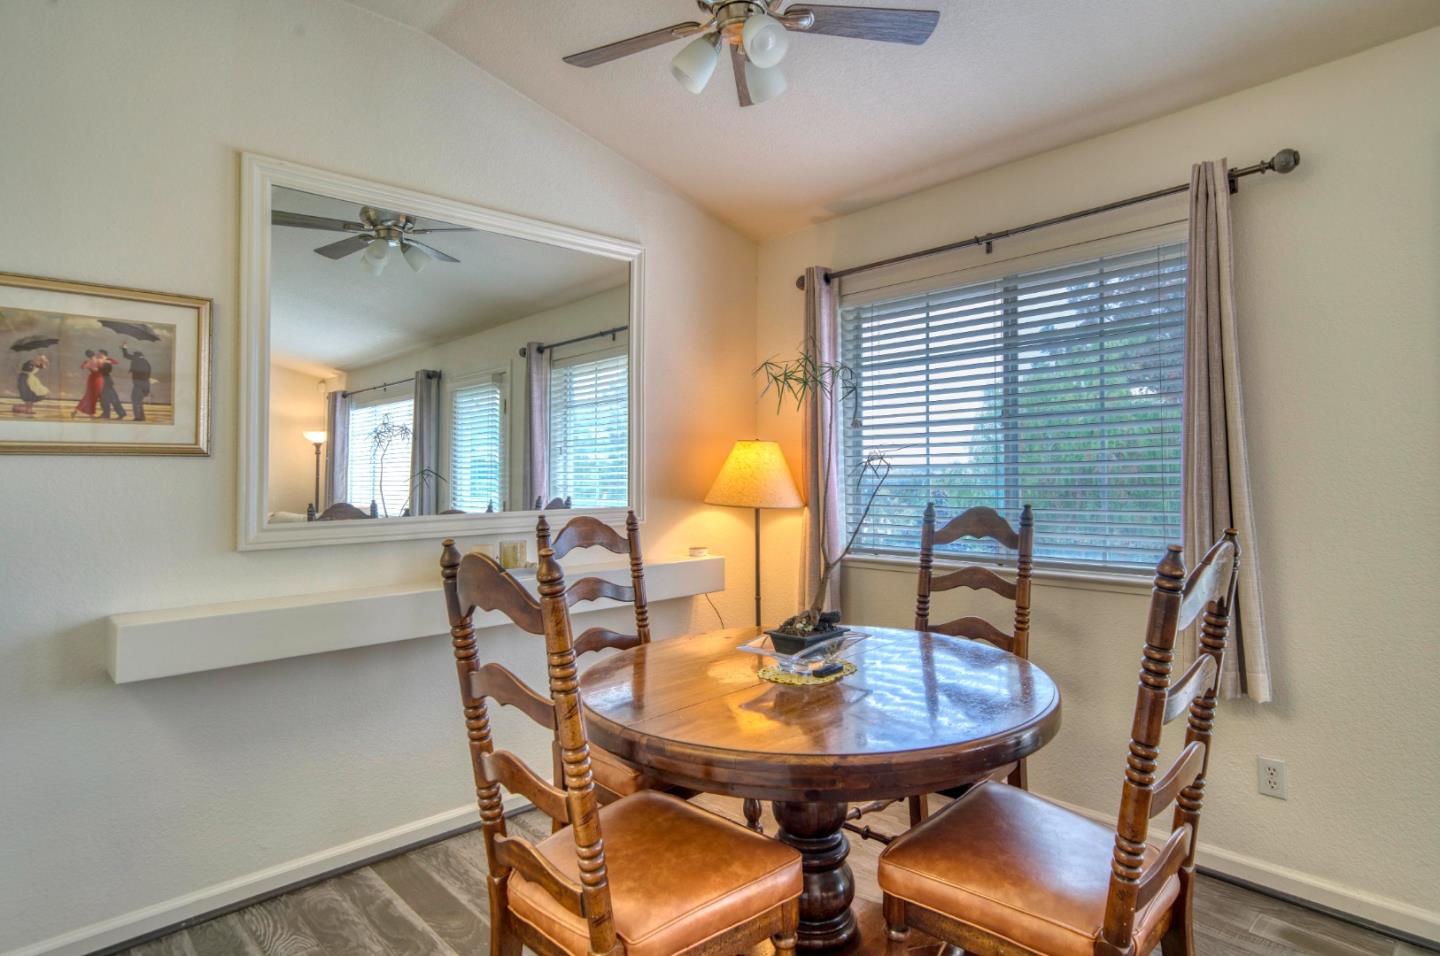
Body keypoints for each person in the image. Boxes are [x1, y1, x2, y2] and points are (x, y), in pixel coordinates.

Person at [121, 342, 152, 421]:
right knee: (139, 401)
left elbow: (126, 355)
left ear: (136, 356)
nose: (133, 356)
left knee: (135, 400)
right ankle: (142, 417)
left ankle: (138, 417)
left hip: (138, 384)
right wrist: (147, 390)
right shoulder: (146, 362)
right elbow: (148, 376)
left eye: (134, 355)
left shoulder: (136, 359)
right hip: (145, 384)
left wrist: (124, 347)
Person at [71, 350, 105, 419]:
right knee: (94, 397)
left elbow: (82, 367)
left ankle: (77, 411)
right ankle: (91, 414)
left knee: (88, 396)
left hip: (92, 379)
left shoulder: (88, 362)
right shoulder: (99, 360)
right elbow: (103, 367)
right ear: (94, 354)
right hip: (98, 379)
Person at [97, 349, 125, 420]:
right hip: (102, 380)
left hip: (106, 380)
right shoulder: (99, 360)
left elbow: (115, 362)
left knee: (112, 398)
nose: (98, 355)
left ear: (103, 354)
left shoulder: (108, 360)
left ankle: (119, 413)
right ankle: (107, 413)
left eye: (99, 354)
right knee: (104, 399)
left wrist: (105, 361)